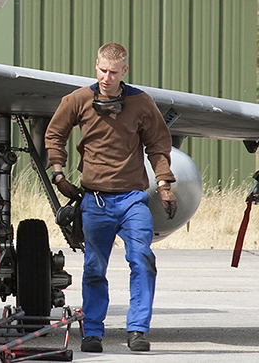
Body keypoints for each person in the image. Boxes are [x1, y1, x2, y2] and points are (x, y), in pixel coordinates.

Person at [45, 42, 178, 353]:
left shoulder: (141, 103)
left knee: (143, 261)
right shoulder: (78, 99)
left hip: (133, 199)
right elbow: (55, 133)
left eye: (113, 72)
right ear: (96, 66)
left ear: (124, 72)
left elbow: (158, 144)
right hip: (95, 201)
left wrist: (164, 185)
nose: (106, 77)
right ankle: (92, 332)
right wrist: (58, 173)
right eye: (102, 70)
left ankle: (138, 330)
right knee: (94, 268)